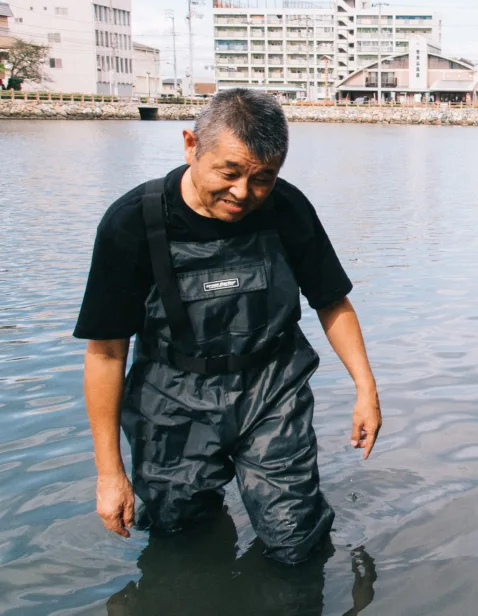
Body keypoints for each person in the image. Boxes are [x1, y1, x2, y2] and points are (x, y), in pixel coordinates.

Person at [76, 89, 383, 564]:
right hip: (171, 397)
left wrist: (366, 388)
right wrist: (109, 473)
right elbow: (106, 353)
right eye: (230, 172)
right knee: (179, 534)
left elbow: (331, 301)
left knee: (295, 539)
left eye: (263, 178)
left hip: (270, 388)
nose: (243, 193)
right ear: (190, 145)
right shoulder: (131, 223)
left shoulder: (286, 207)